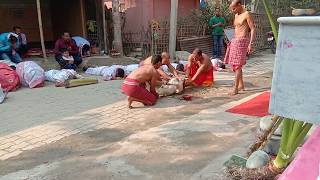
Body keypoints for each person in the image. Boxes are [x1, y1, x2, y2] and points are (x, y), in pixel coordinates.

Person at [224, 0, 256, 95]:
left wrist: (251, 43)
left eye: (234, 8)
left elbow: (253, 28)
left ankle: (235, 88)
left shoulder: (247, 14)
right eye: (231, 9)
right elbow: (236, 29)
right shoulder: (236, 15)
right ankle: (241, 85)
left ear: (239, 5)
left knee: (237, 65)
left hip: (242, 41)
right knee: (235, 65)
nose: (232, 11)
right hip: (235, 41)